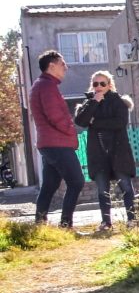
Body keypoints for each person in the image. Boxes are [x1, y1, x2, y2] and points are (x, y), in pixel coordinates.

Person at [74, 70, 137, 230]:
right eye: (96, 84)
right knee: (102, 190)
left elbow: (119, 123)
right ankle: (106, 222)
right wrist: (94, 102)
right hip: (98, 152)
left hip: (119, 151)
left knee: (126, 187)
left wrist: (95, 122)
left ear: (110, 85)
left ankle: (132, 220)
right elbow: (81, 121)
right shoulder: (89, 103)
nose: (99, 86)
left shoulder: (119, 102)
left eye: (103, 83)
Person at [28, 50, 83, 228]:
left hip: (49, 143)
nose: (66, 67)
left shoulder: (42, 85)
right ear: (51, 66)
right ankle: (66, 225)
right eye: (62, 64)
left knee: (50, 185)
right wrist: (70, 129)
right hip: (57, 144)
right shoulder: (46, 86)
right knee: (76, 182)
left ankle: (40, 225)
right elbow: (55, 116)